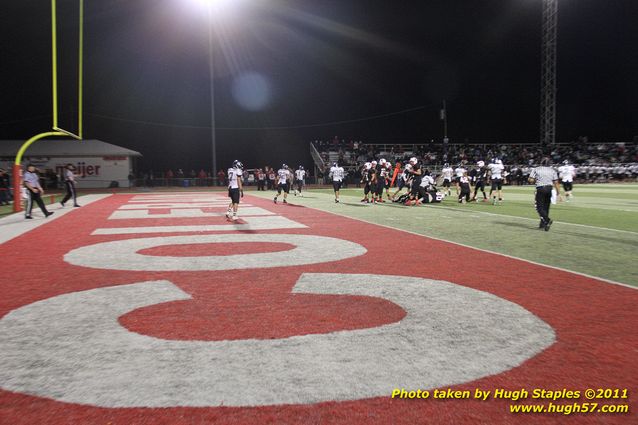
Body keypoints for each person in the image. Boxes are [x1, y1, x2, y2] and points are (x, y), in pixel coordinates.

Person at [528, 158, 561, 231]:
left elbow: (530, 179)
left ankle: (547, 220)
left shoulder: (536, 169)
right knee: (546, 207)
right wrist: (558, 193)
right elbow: (556, 182)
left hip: (541, 188)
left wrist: (535, 180)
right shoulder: (553, 170)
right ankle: (543, 224)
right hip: (549, 189)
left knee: (539, 207)